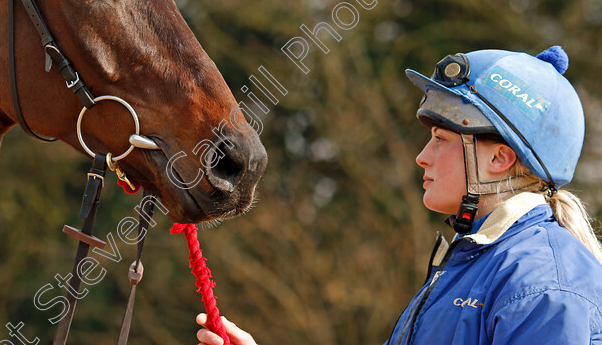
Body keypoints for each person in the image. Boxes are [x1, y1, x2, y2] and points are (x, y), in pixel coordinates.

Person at [195, 46, 602, 345]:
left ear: (499, 158)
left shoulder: (544, 287)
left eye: (441, 139)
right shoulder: (473, 263)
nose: (421, 157)